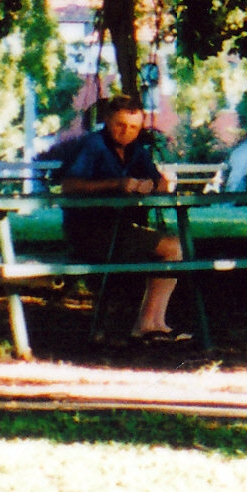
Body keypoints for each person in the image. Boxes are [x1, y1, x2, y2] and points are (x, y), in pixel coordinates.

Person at [53, 96, 185, 343]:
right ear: (107, 120)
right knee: (172, 248)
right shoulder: (91, 146)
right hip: (89, 232)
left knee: (174, 246)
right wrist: (117, 184)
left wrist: (154, 185)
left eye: (134, 127)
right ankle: (147, 324)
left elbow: (159, 182)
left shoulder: (137, 151)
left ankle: (156, 323)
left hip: (122, 230)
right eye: (120, 125)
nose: (126, 132)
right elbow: (69, 186)